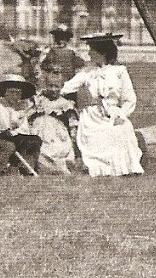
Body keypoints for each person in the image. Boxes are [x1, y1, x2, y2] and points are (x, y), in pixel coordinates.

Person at [61, 33, 144, 177]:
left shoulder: (119, 71)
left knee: (122, 129)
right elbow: (66, 88)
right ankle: (99, 167)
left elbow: (129, 99)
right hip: (91, 115)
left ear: (103, 52)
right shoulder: (87, 72)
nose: (88, 53)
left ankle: (122, 167)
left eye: (91, 50)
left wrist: (122, 115)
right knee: (99, 134)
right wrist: (79, 95)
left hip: (112, 112)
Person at [0, 74, 42, 176]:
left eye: (18, 93)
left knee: (33, 140)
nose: (15, 96)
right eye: (11, 92)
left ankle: (27, 170)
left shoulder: (16, 110)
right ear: (5, 93)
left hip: (11, 137)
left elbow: (15, 127)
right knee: (9, 146)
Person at [28, 67, 77, 174]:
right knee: (41, 150)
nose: (53, 89)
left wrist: (73, 135)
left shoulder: (65, 103)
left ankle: (59, 166)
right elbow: (29, 116)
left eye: (57, 87)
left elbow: (72, 122)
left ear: (62, 86)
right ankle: (44, 165)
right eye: (50, 86)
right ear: (45, 85)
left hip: (58, 134)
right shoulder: (40, 100)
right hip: (40, 132)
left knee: (58, 150)